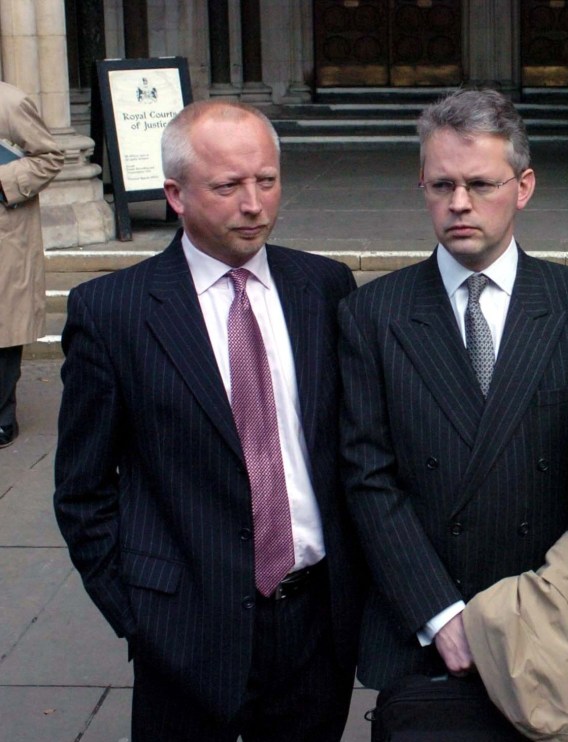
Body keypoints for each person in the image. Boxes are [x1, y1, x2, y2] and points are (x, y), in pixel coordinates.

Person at [54, 100, 364, 741]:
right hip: (185, 631)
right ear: (176, 194)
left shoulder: (325, 288)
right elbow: (83, 490)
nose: (254, 204)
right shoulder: (113, 311)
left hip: (315, 626)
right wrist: (140, 613)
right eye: (228, 186)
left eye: (268, 180)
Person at [339, 89, 568, 698]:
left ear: (523, 187)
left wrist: (561, 597)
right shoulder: (371, 314)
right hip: (427, 630)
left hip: (554, 620)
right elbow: (368, 476)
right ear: (422, 186)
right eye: (441, 186)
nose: (459, 204)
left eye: (481, 184)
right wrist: (440, 615)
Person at [0, 81, 64, 448]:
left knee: (3, 330)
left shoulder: (10, 102)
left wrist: (4, 178)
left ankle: (2, 413)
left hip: (5, 234)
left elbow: (49, 156)